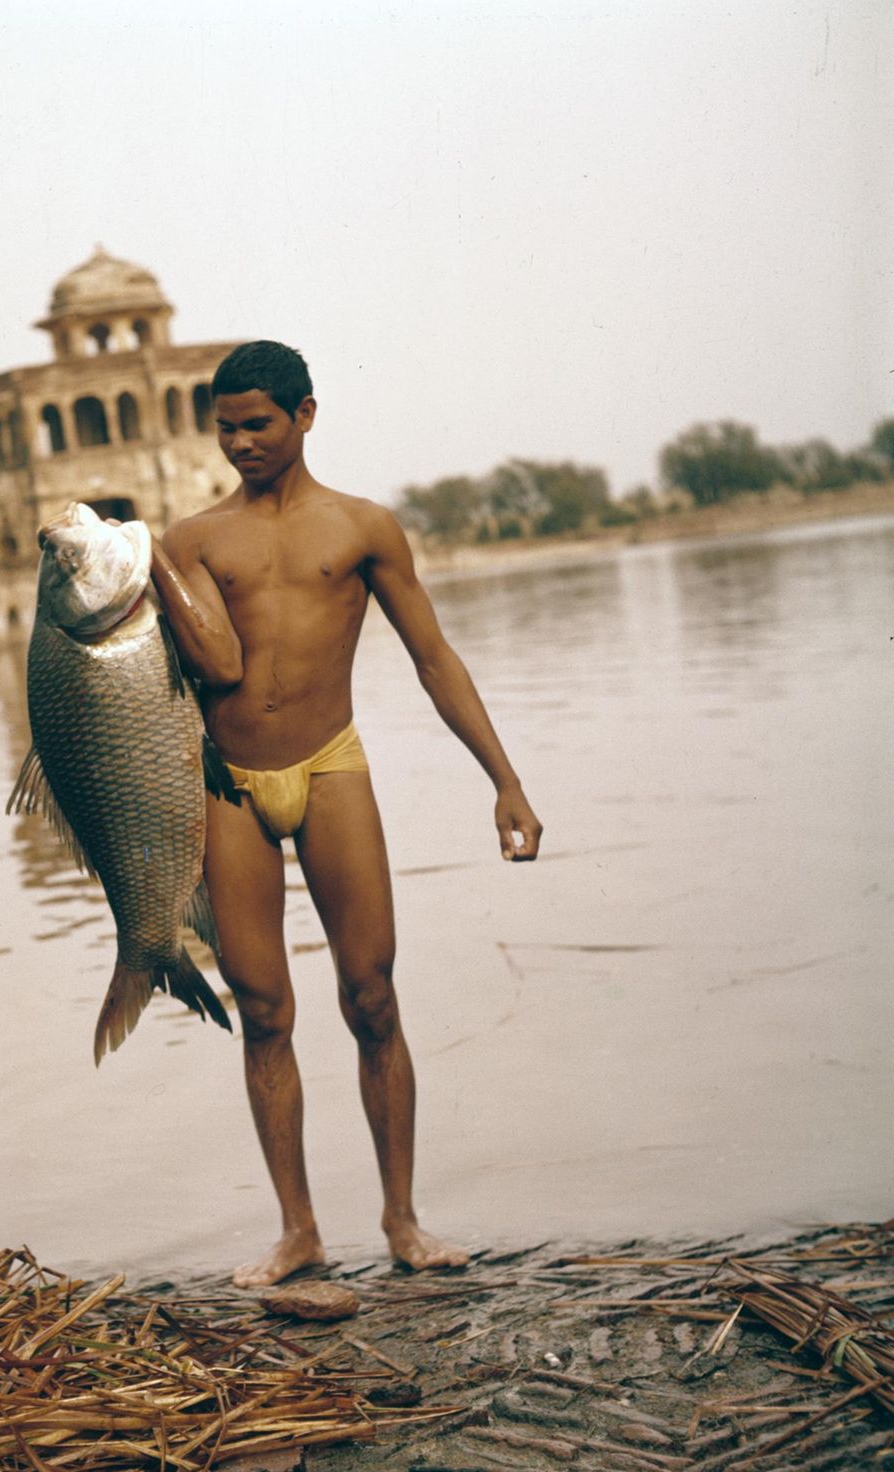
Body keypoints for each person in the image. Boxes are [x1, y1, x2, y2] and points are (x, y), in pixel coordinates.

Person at [148, 341, 543, 1287]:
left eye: (258, 425)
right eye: (226, 428)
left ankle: (403, 1222)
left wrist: (506, 781)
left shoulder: (364, 528)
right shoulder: (192, 541)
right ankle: (299, 1233)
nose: (240, 443)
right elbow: (183, 676)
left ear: (306, 416)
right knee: (263, 1009)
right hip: (227, 782)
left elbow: (434, 658)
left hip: (332, 769)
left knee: (372, 996)